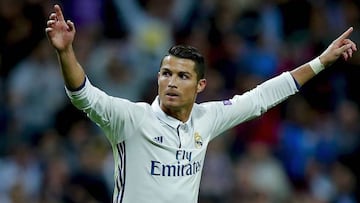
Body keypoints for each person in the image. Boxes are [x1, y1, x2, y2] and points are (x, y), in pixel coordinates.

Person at [45, 4, 357, 203]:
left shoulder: (206, 118)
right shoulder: (131, 119)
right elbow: (82, 94)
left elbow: (262, 97)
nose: (172, 81)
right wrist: (65, 53)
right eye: (166, 73)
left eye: (182, 76)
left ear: (200, 85)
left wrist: (319, 62)